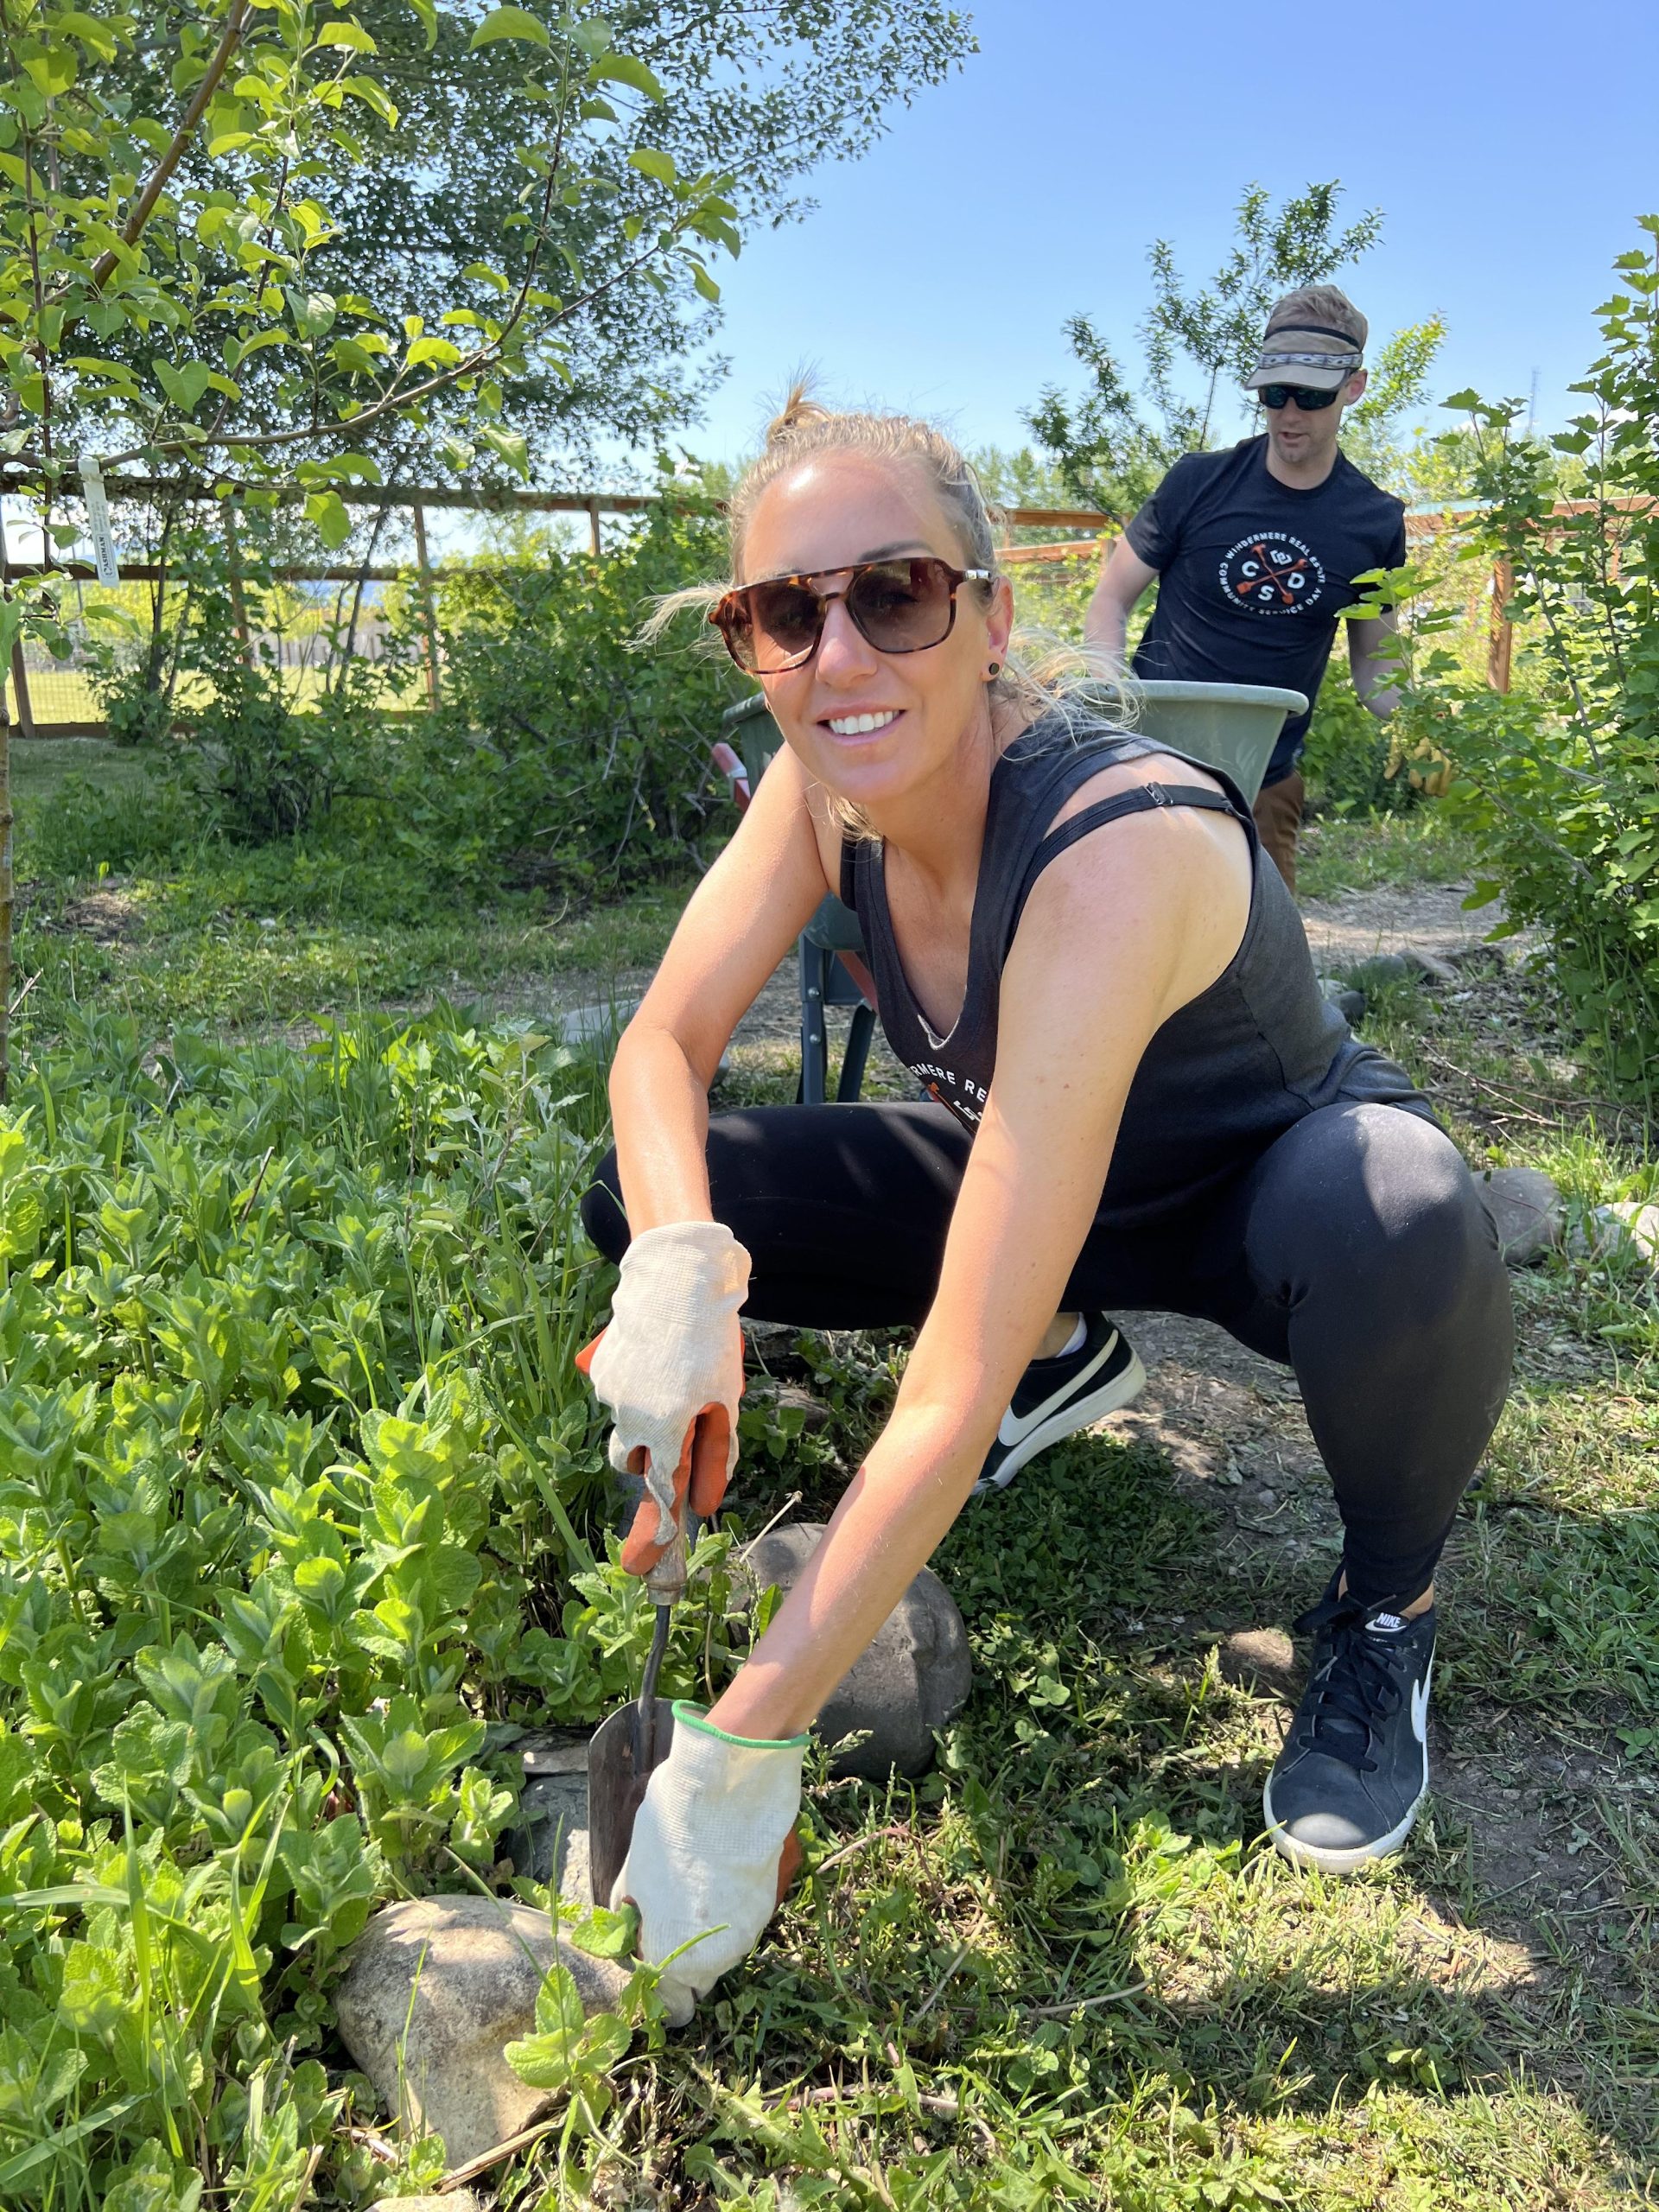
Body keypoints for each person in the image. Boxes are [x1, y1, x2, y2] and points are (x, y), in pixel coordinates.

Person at [577, 391, 1512, 2024]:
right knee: (661, 1183)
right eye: (785, 614)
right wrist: (679, 1279)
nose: (841, 655)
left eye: (895, 594)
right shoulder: (821, 783)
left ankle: (1385, 1615)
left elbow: (946, 1390)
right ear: (750, 642)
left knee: (1407, 1204)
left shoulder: (1112, 840)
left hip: (1256, 1198)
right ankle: (1069, 1347)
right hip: (1026, 1172)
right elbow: (661, 1045)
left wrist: (738, 1751)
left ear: (993, 616)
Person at [1085, 285, 1406, 893]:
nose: (1289, 413)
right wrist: (1108, 690)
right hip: (1151, 766)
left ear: (1354, 387)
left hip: (1266, 781)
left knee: (1260, 945)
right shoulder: (1198, 483)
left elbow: (1376, 665)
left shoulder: (1374, 521)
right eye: (1274, 393)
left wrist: (1426, 725)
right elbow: (1111, 599)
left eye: (1312, 395)